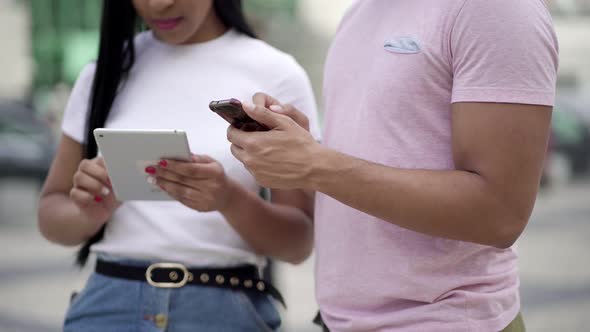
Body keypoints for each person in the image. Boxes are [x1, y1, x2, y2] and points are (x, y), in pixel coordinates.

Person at [227, 0, 558, 331]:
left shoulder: (497, 9)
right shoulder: (360, 13)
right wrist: (302, 152)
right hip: (338, 321)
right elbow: (364, 169)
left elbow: (500, 215)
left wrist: (317, 164)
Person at [37, 0, 320, 331]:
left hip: (223, 310)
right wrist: (90, 211)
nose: (159, 4)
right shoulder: (105, 71)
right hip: (108, 305)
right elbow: (51, 215)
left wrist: (228, 199)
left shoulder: (277, 74)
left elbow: (298, 243)